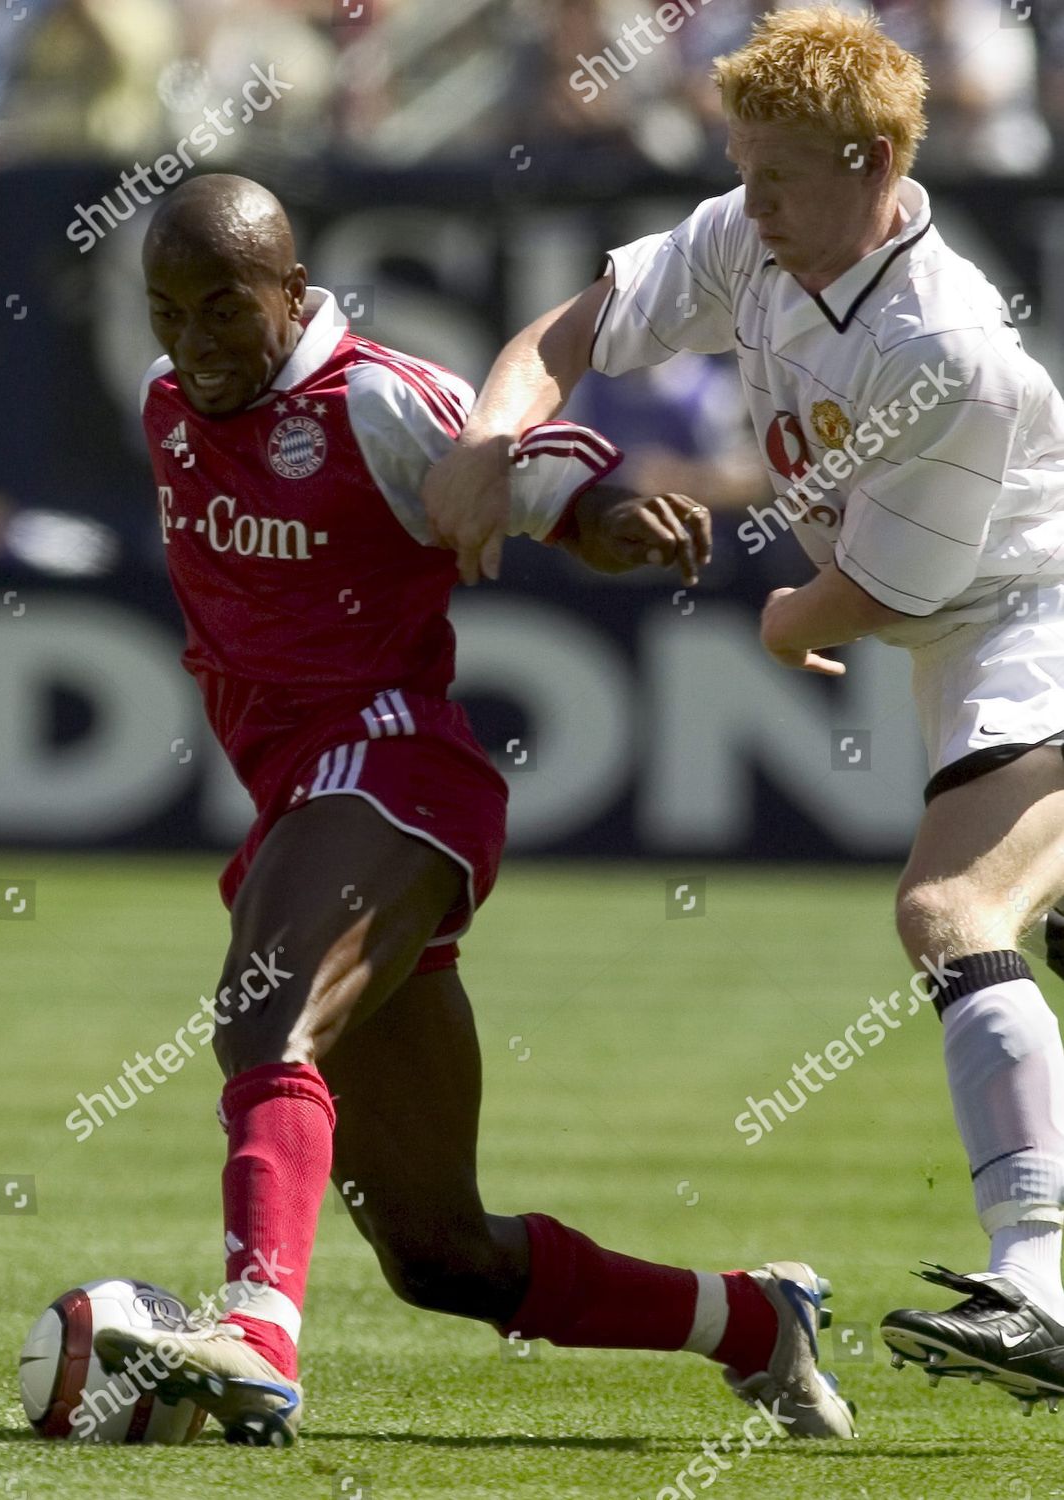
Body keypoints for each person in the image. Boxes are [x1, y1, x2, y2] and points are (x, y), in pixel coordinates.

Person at [92, 173, 857, 1448]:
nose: (195, 341)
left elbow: (528, 465)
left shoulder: (376, 395)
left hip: (395, 771)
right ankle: (755, 1321)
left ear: (295, 292)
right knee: (441, 1252)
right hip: (303, 801)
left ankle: (255, 1335)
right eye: (167, 311)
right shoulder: (166, 400)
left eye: (224, 308)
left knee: (263, 1011)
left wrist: (611, 517)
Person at [421, 5, 1064, 1414]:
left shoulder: (937, 348)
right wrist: (487, 436)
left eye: (775, 172)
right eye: (739, 164)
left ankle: (1039, 1279)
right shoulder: (756, 234)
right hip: (967, 632)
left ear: (876, 157)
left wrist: (778, 620)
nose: (747, 197)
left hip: (1031, 616)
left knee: (949, 913)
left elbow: (877, 592)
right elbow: (577, 325)